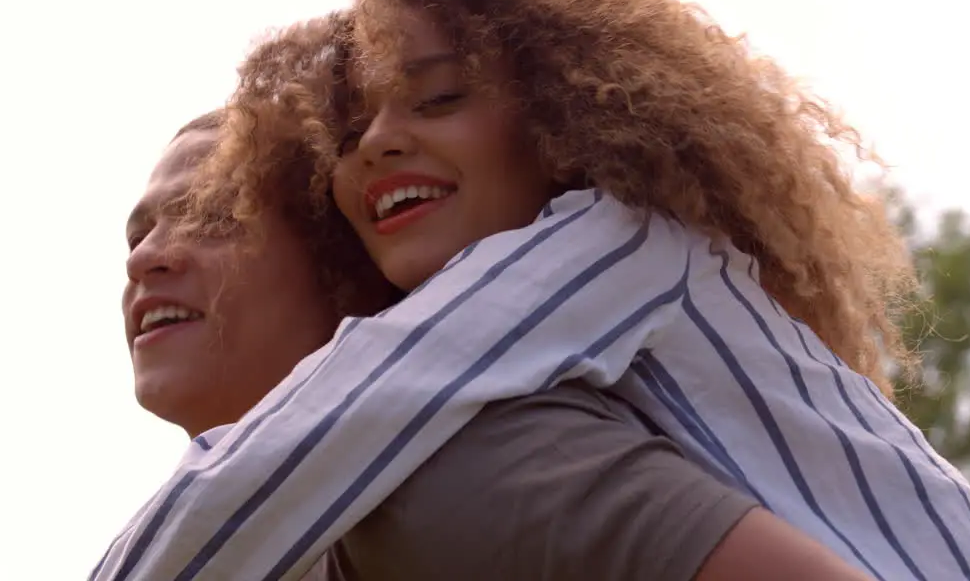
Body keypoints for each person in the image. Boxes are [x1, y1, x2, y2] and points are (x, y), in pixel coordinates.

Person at [98, 0, 970, 581]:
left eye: (438, 98)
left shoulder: (611, 246)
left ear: (558, 126)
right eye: (351, 129)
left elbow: (319, 434)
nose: (380, 142)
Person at [111, 107, 871, 581]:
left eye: (211, 218)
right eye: (137, 235)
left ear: (339, 261)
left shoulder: (463, 478)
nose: (148, 257)